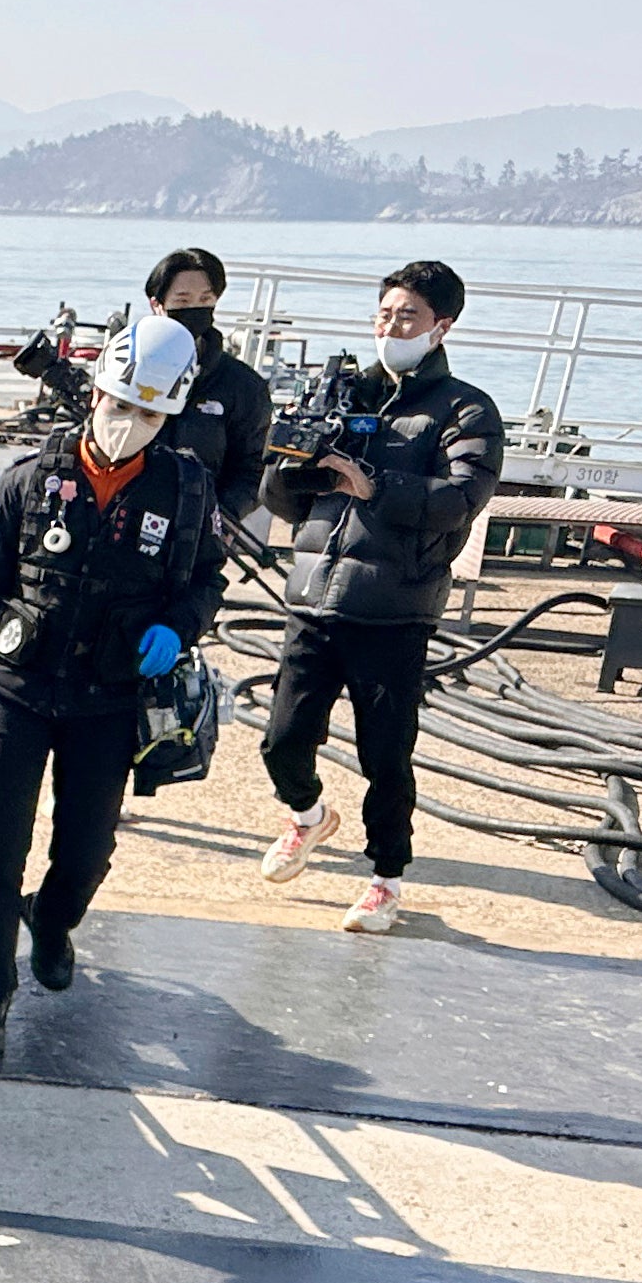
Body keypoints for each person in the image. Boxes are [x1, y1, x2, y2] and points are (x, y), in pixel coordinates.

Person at [0, 314, 230, 1056]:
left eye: (150, 413)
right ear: (94, 394)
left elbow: (204, 579)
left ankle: (55, 921)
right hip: (16, 687)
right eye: (120, 404)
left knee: (87, 847)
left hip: (109, 697)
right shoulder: (30, 479)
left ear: (171, 415)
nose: (130, 422)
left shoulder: (186, 491)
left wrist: (179, 626)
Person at [254, 260, 505, 935]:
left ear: (440, 326)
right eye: (384, 313)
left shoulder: (465, 408)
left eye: (407, 317)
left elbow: (460, 500)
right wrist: (292, 465)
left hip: (393, 609)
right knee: (280, 742)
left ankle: (384, 880)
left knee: (384, 756)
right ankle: (307, 818)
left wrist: (372, 484)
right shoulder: (341, 395)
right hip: (313, 597)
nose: (390, 327)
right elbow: (276, 496)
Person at [141, 246, 273, 533]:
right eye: (182, 300)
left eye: (205, 299)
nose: (194, 308)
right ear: (157, 305)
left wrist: (221, 518)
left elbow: (253, 468)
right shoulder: (129, 371)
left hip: (199, 531)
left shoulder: (243, 386)